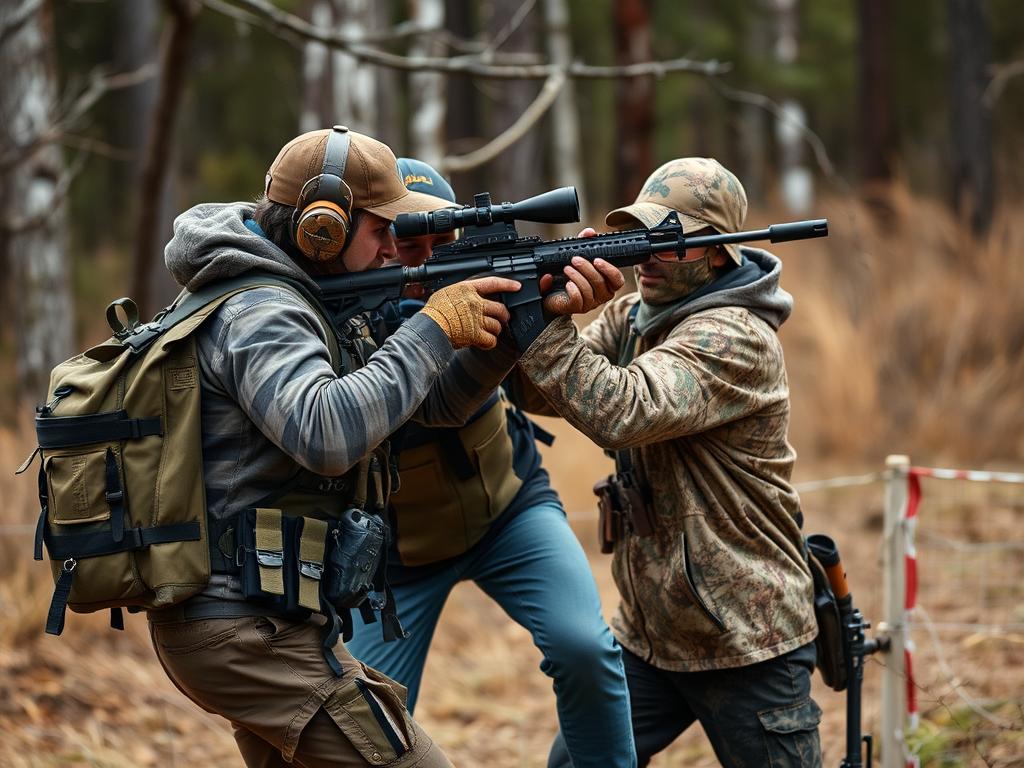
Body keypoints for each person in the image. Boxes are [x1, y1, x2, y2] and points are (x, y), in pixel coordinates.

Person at [146, 126, 528, 768]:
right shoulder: (263, 310)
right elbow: (327, 433)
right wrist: (433, 330)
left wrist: (514, 334)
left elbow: (424, 408)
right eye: (381, 232)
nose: (392, 251)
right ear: (321, 229)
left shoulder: (301, 294)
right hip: (242, 624)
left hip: (268, 614)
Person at [506, 158, 823, 767]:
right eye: (639, 239)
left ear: (717, 252)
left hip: (744, 637)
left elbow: (623, 409)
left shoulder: (735, 337)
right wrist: (538, 304)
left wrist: (542, 331)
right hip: (651, 633)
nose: (645, 259)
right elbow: (538, 392)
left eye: (666, 244)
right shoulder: (633, 318)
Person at [346, 158, 638, 768]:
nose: (425, 262)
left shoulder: (484, 284)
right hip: (395, 560)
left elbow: (545, 389)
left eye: (440, 244)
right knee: (364, 721)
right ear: (375, 247)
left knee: (586, 648)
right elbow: (437, 406)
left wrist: (552, 307)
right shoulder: (343, 317)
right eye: (408, 247)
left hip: (510, 511)